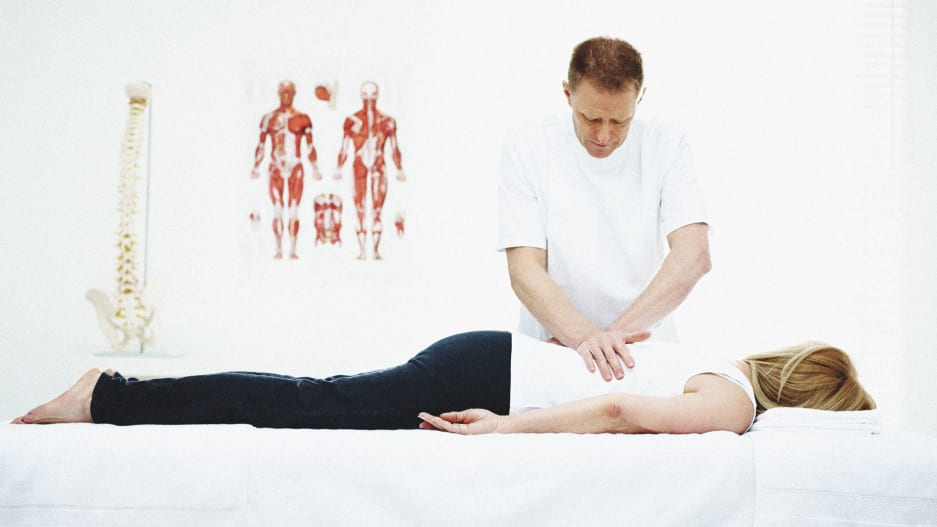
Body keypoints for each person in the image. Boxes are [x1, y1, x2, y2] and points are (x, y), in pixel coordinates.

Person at [11, 331, 875, 436]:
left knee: (317, 394)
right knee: (311, 401)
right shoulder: (731, 402)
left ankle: (115, 390)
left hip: (486, 354)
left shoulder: (722, 359)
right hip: (486, 371)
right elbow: (616, 406)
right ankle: (112, 392)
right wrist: (505, 427)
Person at [497, 36, 711, 382]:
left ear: (640, 98)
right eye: (591, 118)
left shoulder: (667, 144)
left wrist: (608, 339)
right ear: (568, 93)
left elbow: (694, 255)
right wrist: (582, 338)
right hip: (551, 351)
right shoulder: (528, 145)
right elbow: (524, 269)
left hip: (646, 353)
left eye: (620, 121)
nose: (604, 135)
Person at [250, 80, 323, 259]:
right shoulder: (269, 118)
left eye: (289, 92)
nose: (286, 95)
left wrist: (315, 168)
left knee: (293, 209)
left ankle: (292, 249)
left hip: (295, 166)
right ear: (278, 93)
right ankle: (277, 249)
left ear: (294, 93)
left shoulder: (303, 118)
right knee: (277, 208)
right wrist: (256, 166)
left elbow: (310, 146)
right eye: (283, 91)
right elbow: (261, 145)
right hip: (275, 166)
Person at [334, 81, 406, 260]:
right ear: (361, 95)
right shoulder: (352, 121)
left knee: (376, 209)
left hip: (379, 165)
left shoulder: (387, 121)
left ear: (377, 95)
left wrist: (399, 169)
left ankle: (375, 250)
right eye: (365, 94)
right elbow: (344, 147)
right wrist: (338, 168)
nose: (369, 98)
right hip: (359, 164)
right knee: (359, 207)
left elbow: (394, 147)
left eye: (372, 94)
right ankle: (361, 250)